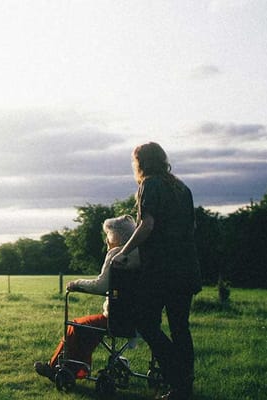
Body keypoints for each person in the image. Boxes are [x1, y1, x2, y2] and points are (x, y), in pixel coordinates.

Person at [113, 142, 201, 400]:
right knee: (180, 328)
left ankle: (177, 375)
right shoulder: (182, 188)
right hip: (187, 267)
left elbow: (147, 225)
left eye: (134, 161)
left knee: (145, 323)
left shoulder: (149, 185)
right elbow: (191, 227)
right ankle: (183, 386)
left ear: (141, 162)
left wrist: (123, 252)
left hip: (162, 271)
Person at [34, 215, 140, 381]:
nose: (106, 239)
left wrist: (76, 283)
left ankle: (56, 367)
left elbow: (100, 286)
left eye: (108, 234)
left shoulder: (116, 254)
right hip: (139, 318)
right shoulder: (141, 253)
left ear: (117, 236)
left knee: (77, 325)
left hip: (117, 318)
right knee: (89, 327)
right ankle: (76, 368)